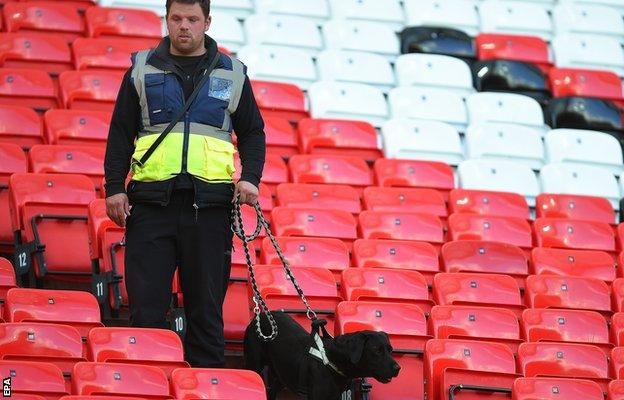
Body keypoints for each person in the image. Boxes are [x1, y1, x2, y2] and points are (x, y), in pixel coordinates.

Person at [103, 0, 265, 368]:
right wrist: (114, 186)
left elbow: (253, 133)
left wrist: (251, 178)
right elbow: (120, 133)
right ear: (167, 20)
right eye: (176, 18)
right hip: (150, 208)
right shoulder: (142, 68)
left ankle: (207, 388)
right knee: (146, 312)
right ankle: (147, 386)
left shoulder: (233, 72)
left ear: (207, 21)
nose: (184, 26)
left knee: (206, 314)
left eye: (193, 19)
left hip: (209, 210)